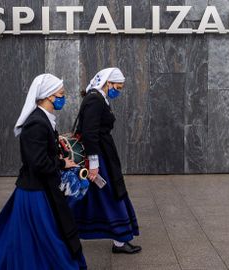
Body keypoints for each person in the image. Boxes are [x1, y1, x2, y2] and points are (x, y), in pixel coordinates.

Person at [0, 74, 87, 270]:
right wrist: (61, 164)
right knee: (47, 236)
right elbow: (38, 163)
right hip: (35, 192)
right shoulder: (36, 123)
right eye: (61, 94)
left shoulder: (44, 120)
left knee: (28, 236)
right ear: (49, 96)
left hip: (38, 189)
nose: (63, 98)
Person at [72, 67, 141, 254]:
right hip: (99, 156)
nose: (117, 91)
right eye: (117, 87)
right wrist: (94, 164)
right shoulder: (95, 99)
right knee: (110, 194)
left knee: (91, 196)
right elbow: (89, 133)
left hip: (101, 153)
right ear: (107, 83)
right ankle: (119, 239)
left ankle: (71, 233)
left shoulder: (98, 97)